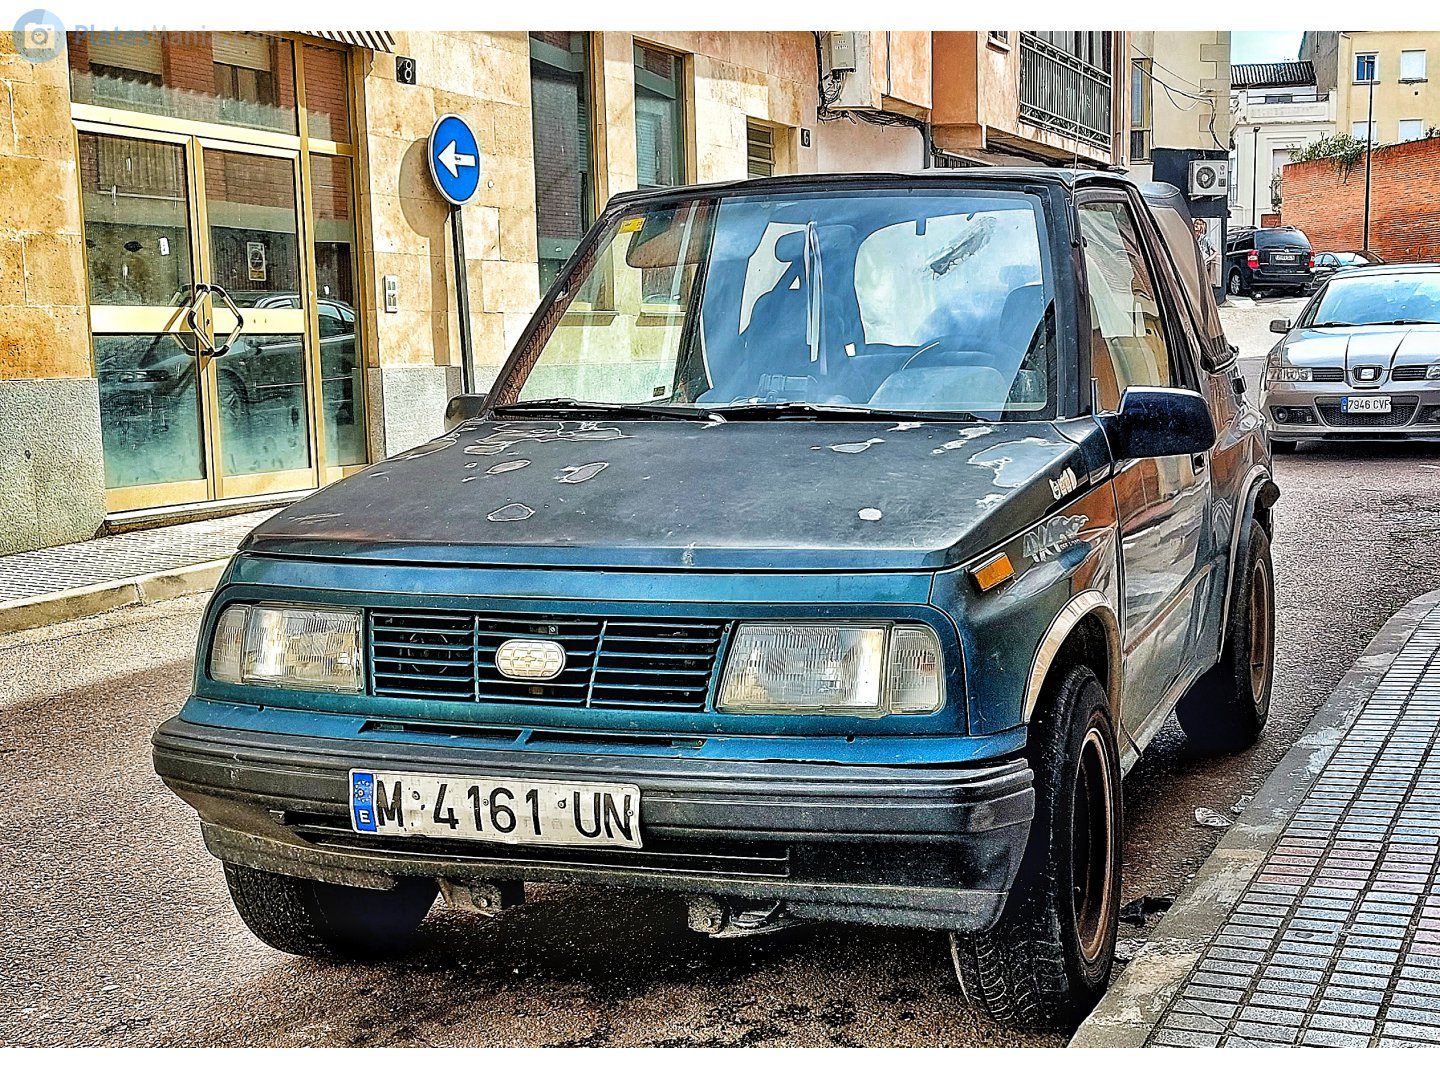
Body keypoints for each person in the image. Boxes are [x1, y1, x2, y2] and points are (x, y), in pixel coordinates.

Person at [1194, 217, 1221, 288]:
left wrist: (1207, 260)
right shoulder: (1192, 237)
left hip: (1203, 263)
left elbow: (1216, 251)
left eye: (1198, 224)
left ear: (1201, 227)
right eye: (1195, 224)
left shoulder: (1205, 239)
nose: (1195, 225)